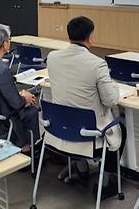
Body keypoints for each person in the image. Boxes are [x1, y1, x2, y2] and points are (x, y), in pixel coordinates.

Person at [46, 16, 126, 200]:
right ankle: (106, 183)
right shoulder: (97, 64)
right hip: (88, 136)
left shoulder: (53, 57)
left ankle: (82, 170)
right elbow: (111, 100)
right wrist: (112, 84)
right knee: (120, 128)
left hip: (60, 130)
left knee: (74, 115)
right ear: (90, 37)